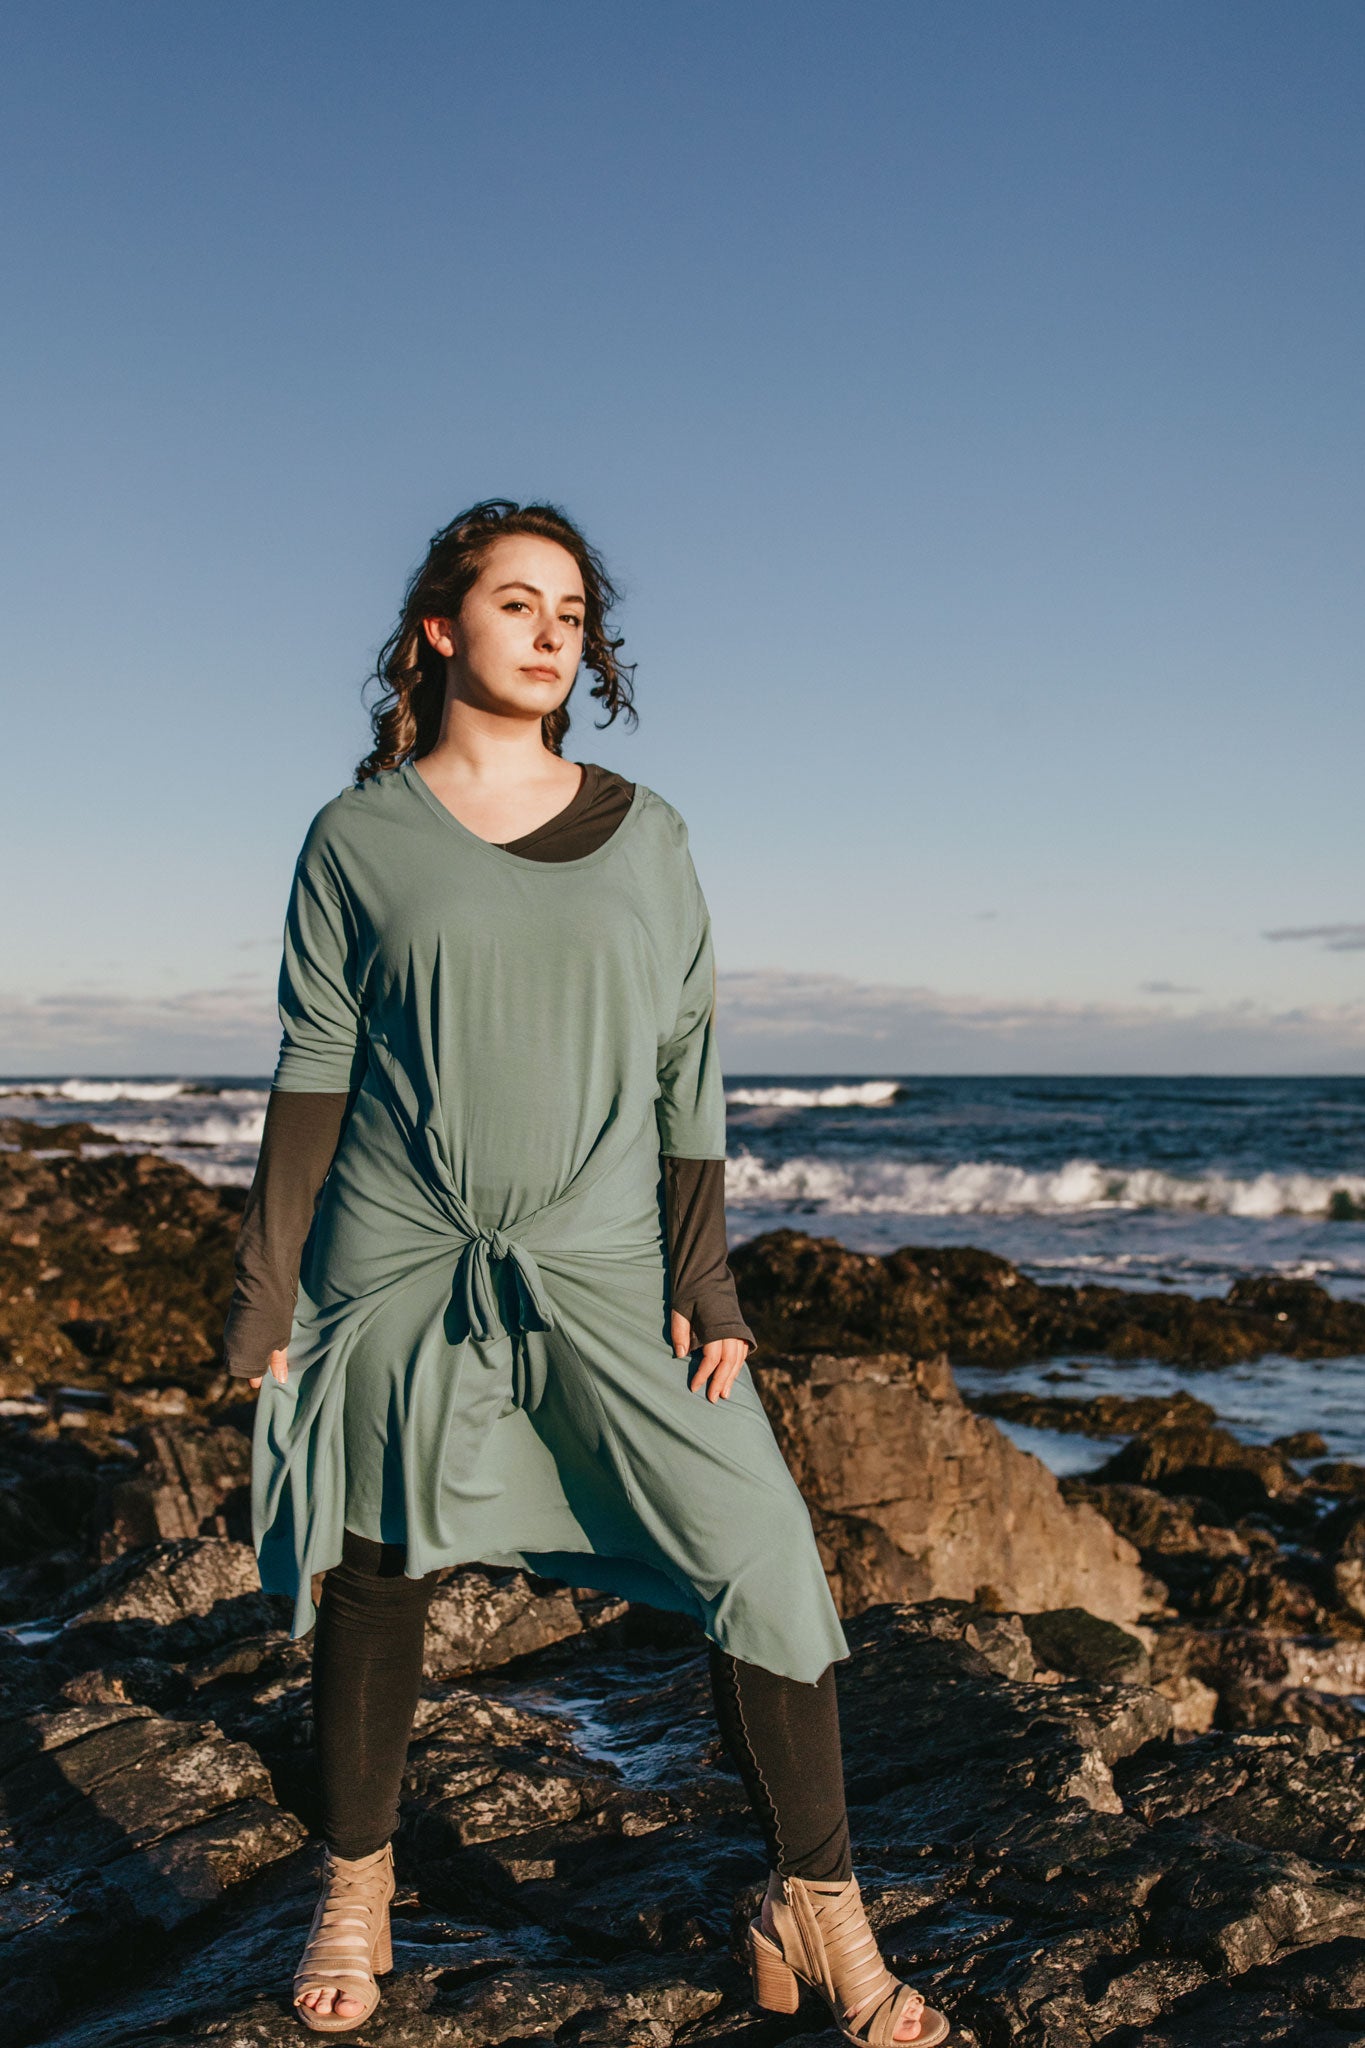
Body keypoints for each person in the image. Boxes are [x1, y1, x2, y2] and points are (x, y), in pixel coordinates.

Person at [223, 499, 949, 2045]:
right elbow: (315, 1060)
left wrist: (713, 1287)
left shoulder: (652, 833)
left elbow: (691, 1068)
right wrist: (266, 1291)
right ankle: (355, 1891)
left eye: (571, 611)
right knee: (375, 1555)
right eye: (518, 603)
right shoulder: (359, 836)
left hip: (607, 1260)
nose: (553, 631)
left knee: (756, 1545)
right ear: (441, 629)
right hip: (401, 1242)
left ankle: (815, 1913)